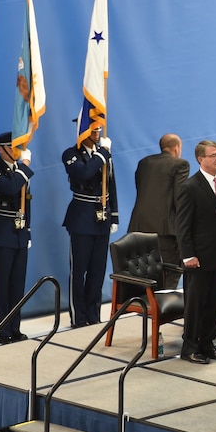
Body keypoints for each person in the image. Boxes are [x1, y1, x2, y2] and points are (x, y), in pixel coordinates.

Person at [176, 140, 216, 364]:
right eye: (213, 155)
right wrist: (187, 255)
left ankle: (207, 342)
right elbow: (182, 224)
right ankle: (190, 346)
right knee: (196, 303)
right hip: (199, 257)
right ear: (201, 159)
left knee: (215, 301)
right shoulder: (189, 186)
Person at [62, 120, 118, 328]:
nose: (97, 133)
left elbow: (111, 184)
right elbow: (84, 173)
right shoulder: (71, 154)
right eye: (92, 129)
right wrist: (102, 153)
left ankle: (93, 315)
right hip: (82, 218)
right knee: (79, 271)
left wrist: (115, 216)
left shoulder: (104, 154)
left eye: (99, 129)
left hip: (102, 217)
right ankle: (79, 316)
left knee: (98, 270)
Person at [0, 132, 34, 343]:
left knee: (17, 284)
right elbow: (10, 188)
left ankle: (14, 327)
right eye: (12, 147)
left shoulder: (20, 171)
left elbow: (26, 202)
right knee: (1, 284)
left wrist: (27, 230)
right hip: (0, 233)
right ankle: (1, 329)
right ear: (1, 149)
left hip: (19, 233)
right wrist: (25, 166)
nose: (17, 151)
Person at [127, 133, 188, 289]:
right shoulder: (180, 164)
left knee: (143, 275)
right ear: (177, 148)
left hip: (139, 229)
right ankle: (161, 309)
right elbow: (179, 198)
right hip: (165, 232)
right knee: (170, 274)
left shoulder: (144, 163)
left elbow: (140, 190)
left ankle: (147, 308)